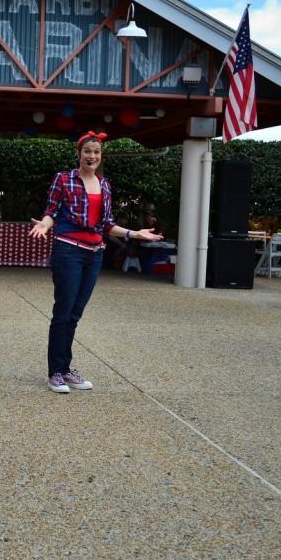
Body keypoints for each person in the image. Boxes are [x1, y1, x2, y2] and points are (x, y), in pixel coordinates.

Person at [29, 131, 163, 393]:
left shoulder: (104, 184)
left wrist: (134, 233)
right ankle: (55, 372)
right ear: (79, 153)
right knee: (63, 312)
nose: (92, 156)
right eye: (88, 151)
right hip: (68, 251)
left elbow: (107, 224)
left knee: (75, 315)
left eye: (97, 152)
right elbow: (51, 212)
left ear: (101, 156)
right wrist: (45, 225)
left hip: (94, 254)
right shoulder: (64, 179)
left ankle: (66, 370)